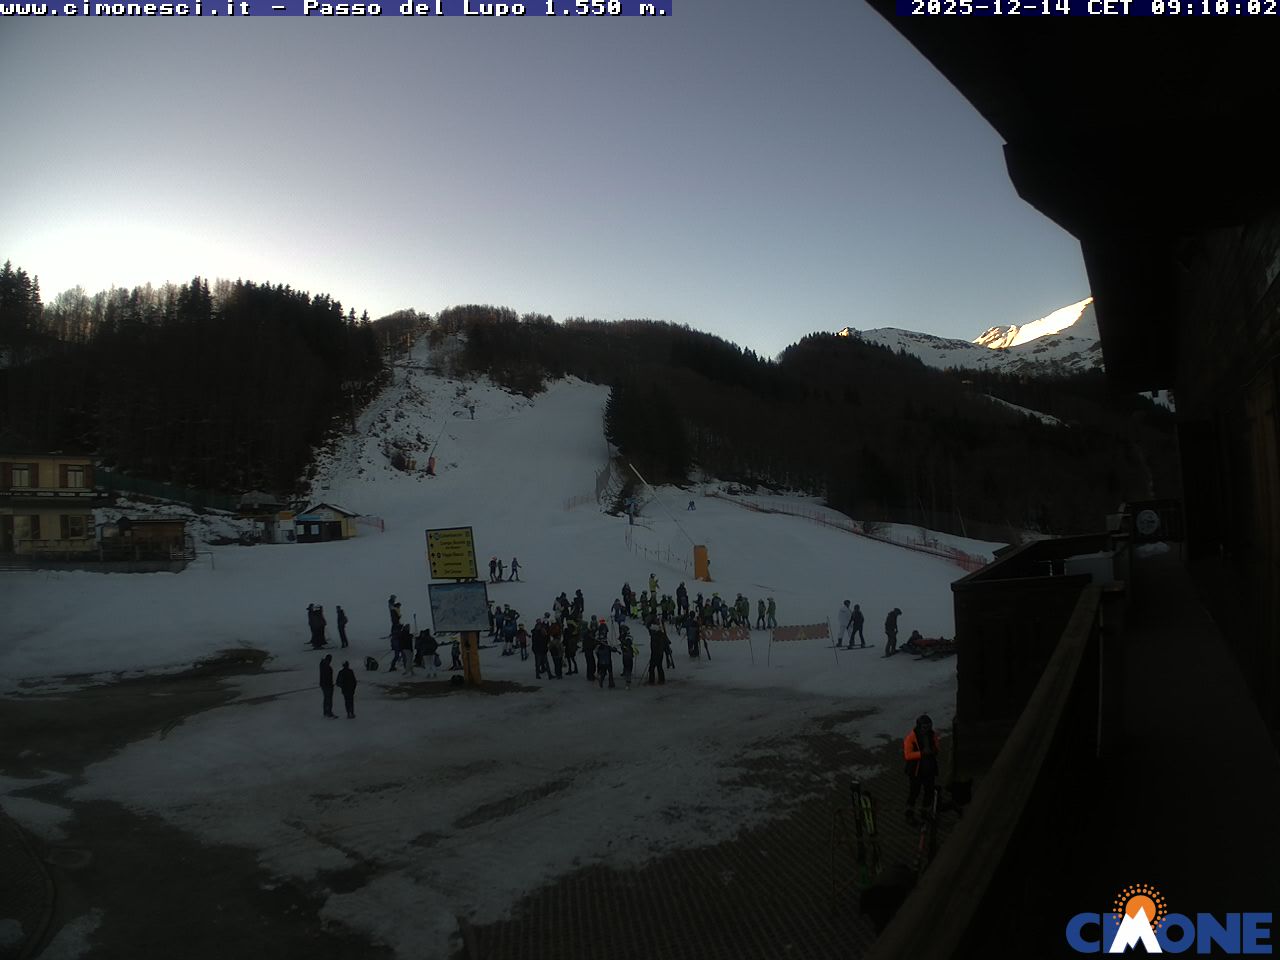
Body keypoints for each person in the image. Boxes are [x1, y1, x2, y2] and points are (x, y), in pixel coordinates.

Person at [903, 714, 941, 818]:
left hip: (929, 769)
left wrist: (934, 751)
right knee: (914, 791)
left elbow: (937, 747)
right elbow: (907, 755)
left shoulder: (932, 735)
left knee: (929, 791)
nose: (927, 729)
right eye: (925, 727)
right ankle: (909, 811)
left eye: (929, 726)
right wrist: (922, 753)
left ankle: (925, 810)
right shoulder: (911, 737)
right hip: (916, 770)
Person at [646, 620, 667, 685]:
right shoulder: (660, 635)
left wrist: (654, 654)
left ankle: (652, 680)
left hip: (656, 653)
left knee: (652, 667)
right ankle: (661, 679)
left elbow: (657, 646)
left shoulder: (656, 637)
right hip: (658, 653)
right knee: (659, 666)